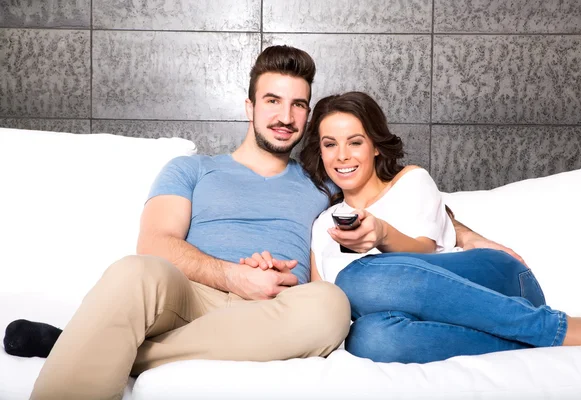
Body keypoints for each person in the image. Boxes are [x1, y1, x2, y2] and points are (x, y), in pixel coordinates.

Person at [26, 47, 517, 399]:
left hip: (278, 313)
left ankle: (108, 348)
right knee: (133, 272)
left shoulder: (321, 180)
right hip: (190, 296)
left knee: (330, 304)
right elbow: (154, 243)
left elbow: (393, 194)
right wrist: (234, 275)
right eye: (273, 101)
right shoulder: (191, 170)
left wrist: (465, 232)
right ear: (249, 107)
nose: (286, 116)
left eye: (298, 104)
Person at [298, 91, 581, 364]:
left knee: (357, 277)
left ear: (375, 146)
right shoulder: (324, 223)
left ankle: (558, 328)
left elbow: (425, 249)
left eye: (355, 142)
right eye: (330, 144)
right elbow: (321, 301)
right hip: (428, 322)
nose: (342, 156)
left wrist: (383, 234)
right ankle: (534, 344)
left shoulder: (411, 181)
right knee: (369, 338)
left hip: (498, 284)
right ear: (320, 152)